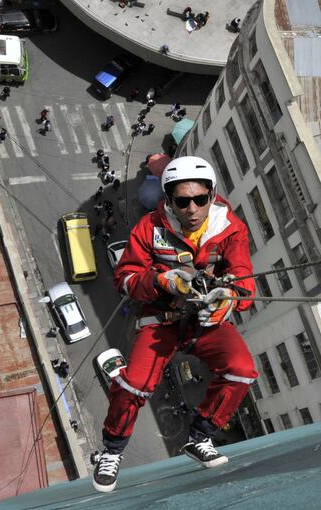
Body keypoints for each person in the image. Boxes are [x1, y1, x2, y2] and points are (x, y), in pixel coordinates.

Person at [91, 156, 257, 493]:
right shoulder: (150, 229)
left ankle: (200, 436)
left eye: (201, 199)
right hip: (162, 321)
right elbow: (125, 279)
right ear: (168, 200)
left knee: (241, 369)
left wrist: (229, 297)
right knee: (134, 384)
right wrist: (161, 281)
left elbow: (243, 277)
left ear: (212, 195)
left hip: (205, 321)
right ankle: (111, 451)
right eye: (182, 201)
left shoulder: (230, 229)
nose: (193, 209)